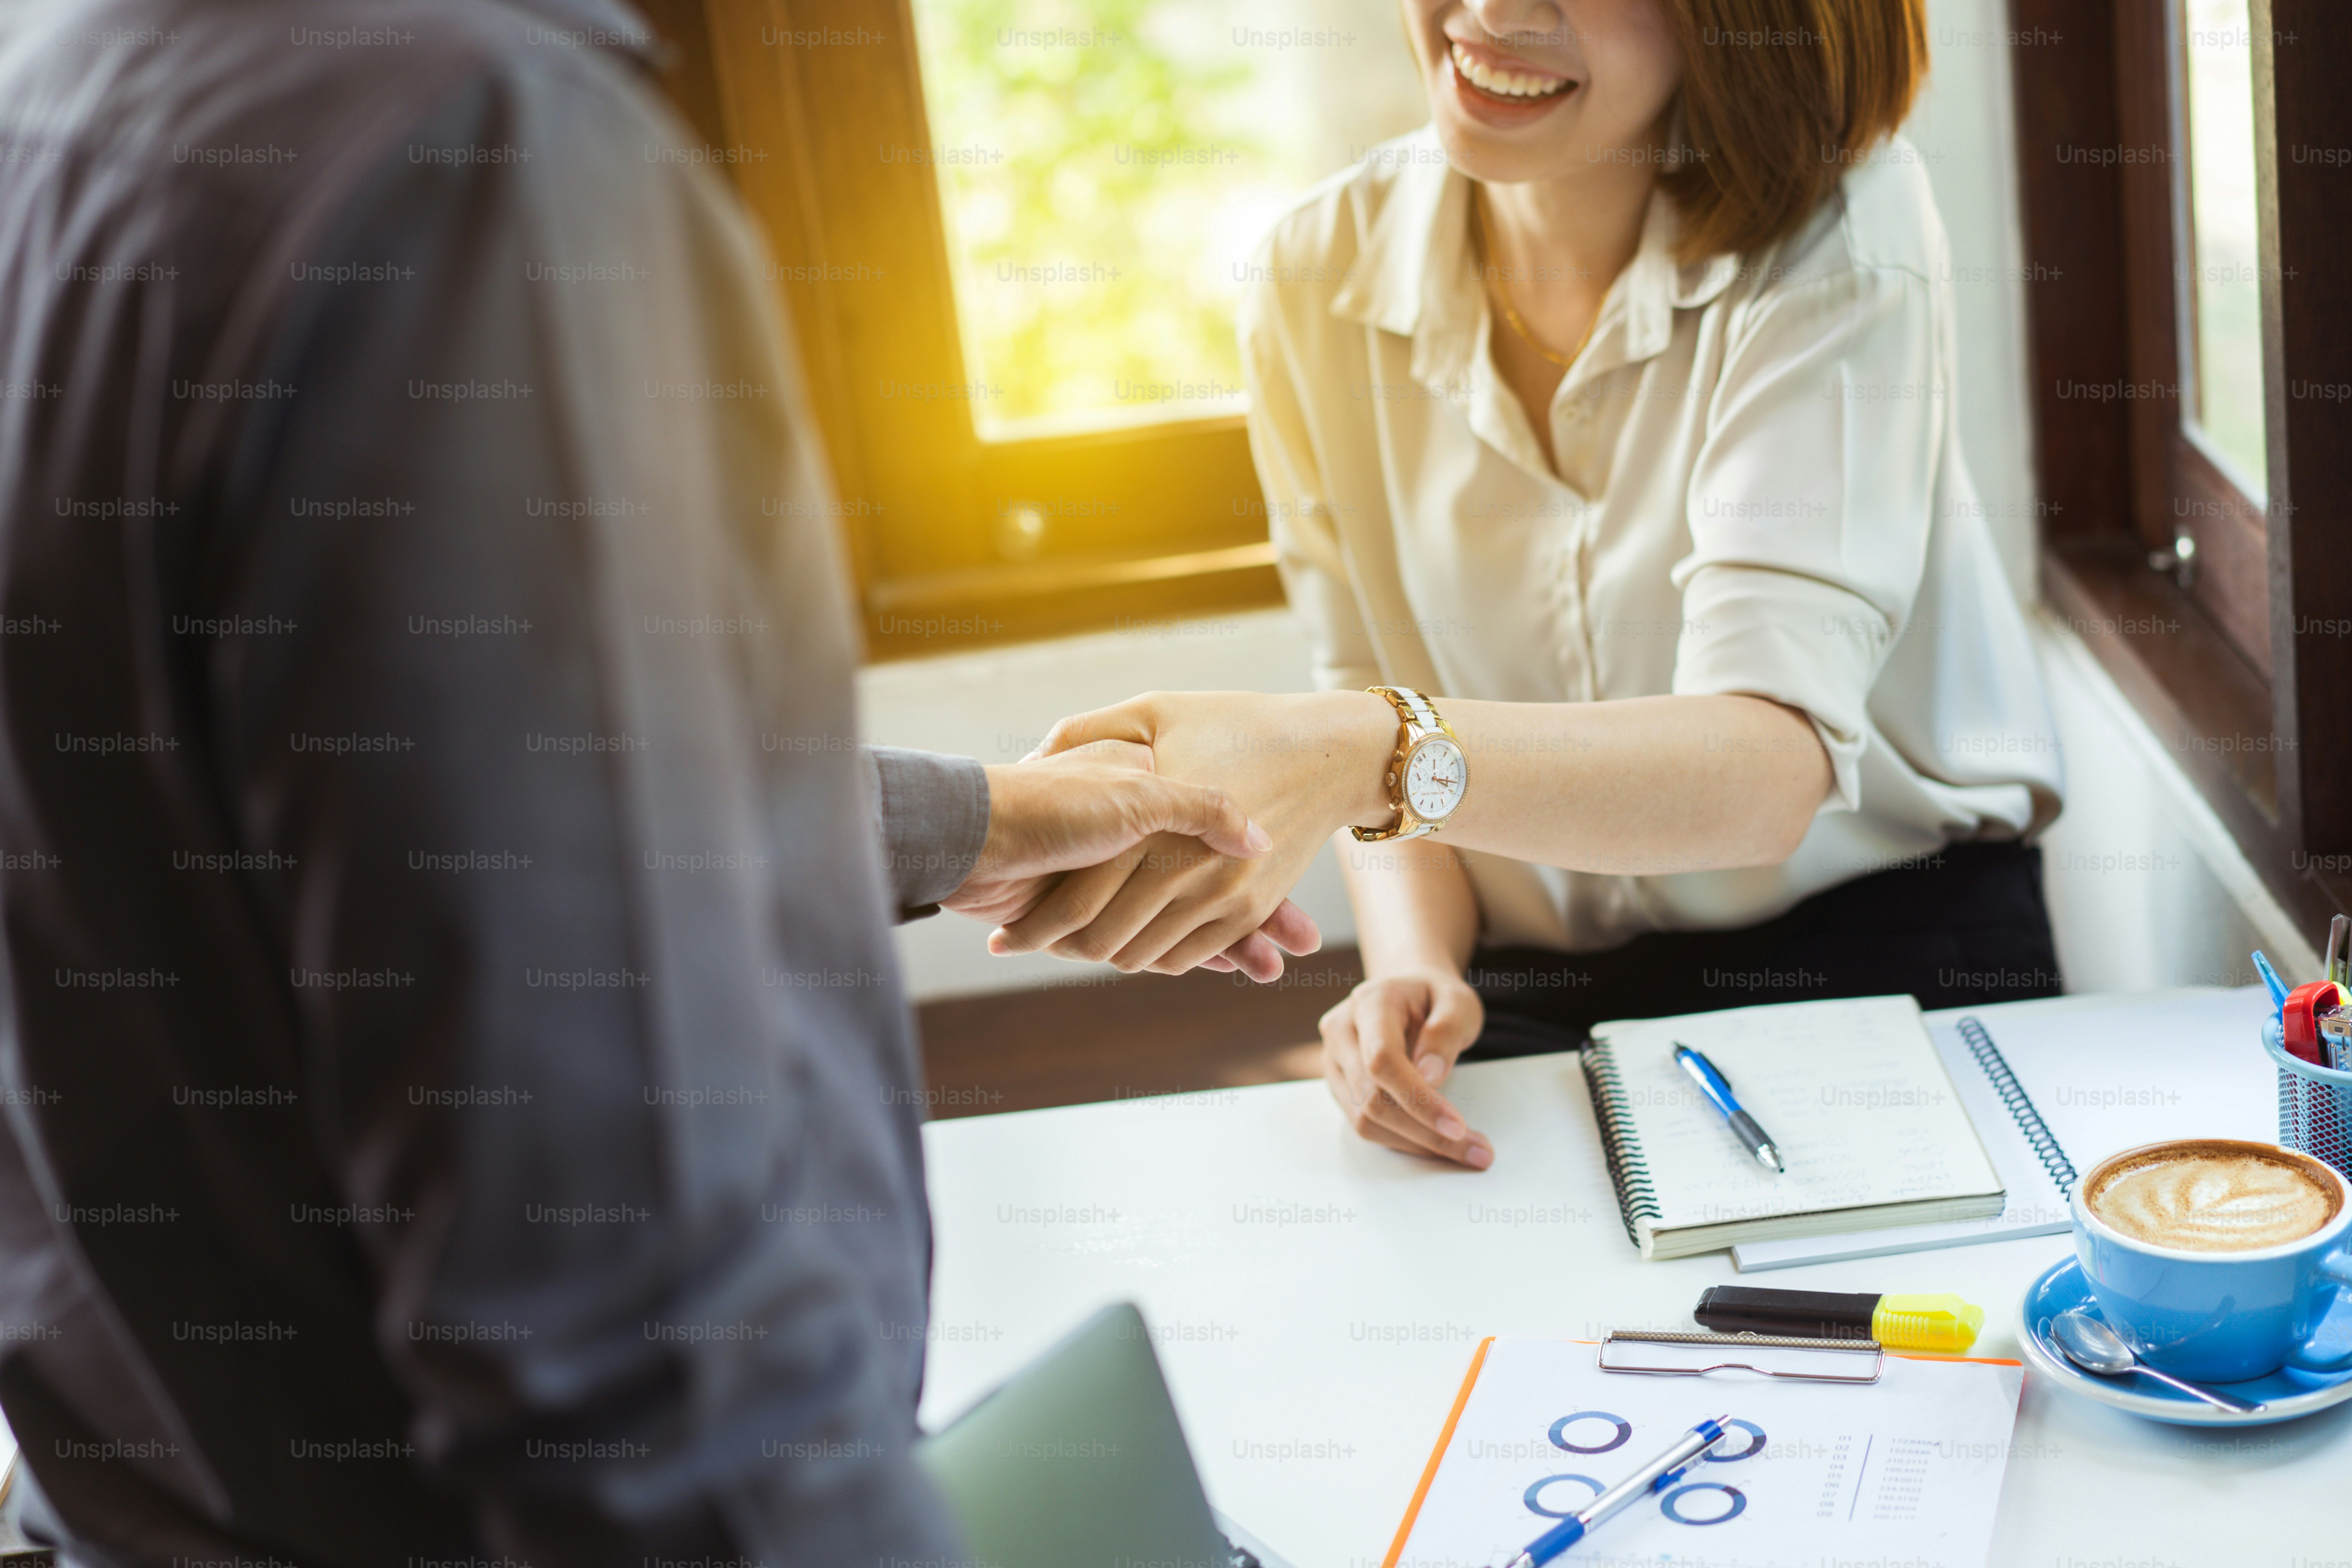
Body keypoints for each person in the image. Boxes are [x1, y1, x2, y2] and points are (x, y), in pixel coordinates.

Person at [0, 2, 1309, 1564]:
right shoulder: (480, 166)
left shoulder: (72, 99)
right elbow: (636, 1355)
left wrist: (966, 823)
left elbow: (344, 807)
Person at [989, 0, 2066, 1171]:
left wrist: (1363, 750)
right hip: (1537, 975)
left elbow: (1766, 769)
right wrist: (1414, 962)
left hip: (1885, 944)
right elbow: (1370, 685)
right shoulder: (1314, 272)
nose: (1493, 15)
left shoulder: (1845, 229)